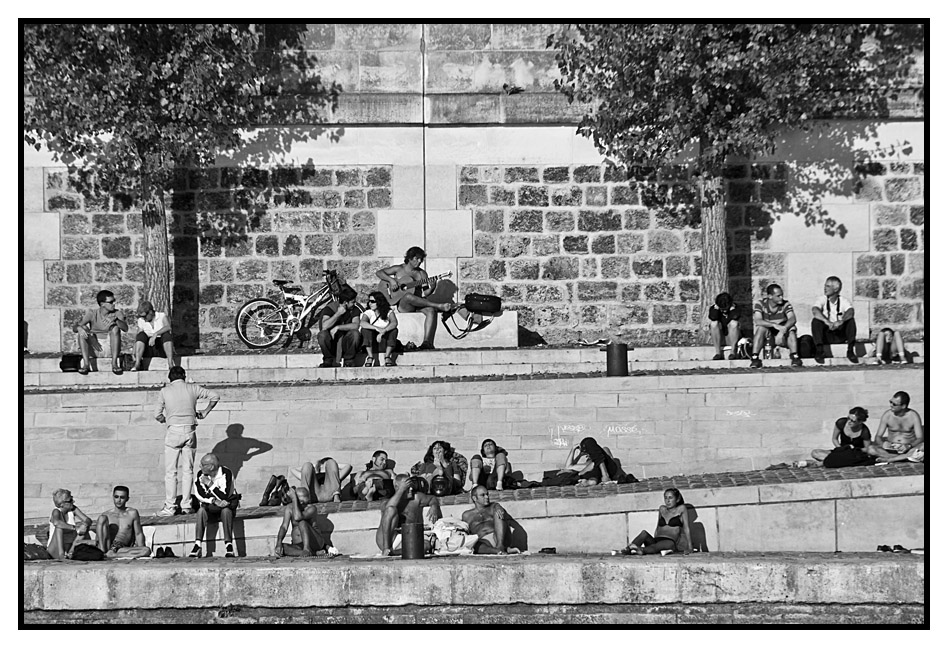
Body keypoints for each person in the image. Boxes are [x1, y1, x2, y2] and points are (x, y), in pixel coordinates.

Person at [154, 366, 220, 516]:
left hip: (173, 430)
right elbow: (215, 396)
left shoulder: (165, 391)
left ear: (170, 378)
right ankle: (186, 504)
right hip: (190, 431)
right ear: (184, 376)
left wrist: (165, 419)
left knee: (171, 472)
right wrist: (205, 411)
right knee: (188, 470)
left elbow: (157, 414)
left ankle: (170, 506)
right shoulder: (193, 388)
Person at [375, 246, 453, 350]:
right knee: (407, 296)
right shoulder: (399, 269)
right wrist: (391, 280)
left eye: (421, 259)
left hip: (417, 303)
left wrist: (433, 287)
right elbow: (379, 273)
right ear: (410, 258)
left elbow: (425, 293)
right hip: (404, 305)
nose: (419, 261)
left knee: (431, 310)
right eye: (417, 258)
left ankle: (427, 342)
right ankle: (438, 305)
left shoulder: (422, 274)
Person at [376, 474, 443, 556]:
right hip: (389, 538)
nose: (411, 489)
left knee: (426, 545)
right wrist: (401, 490)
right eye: (407, 487)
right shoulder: (386, 501)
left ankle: (394, 553)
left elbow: (432, 498)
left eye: (411, 486)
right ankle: (386, 549)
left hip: (408, 537)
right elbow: (388, 508)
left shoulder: (417, 497)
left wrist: (434, 506)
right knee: (391, 510)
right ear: (397, 487)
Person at [189, 454, 240, 558]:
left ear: (211, 467)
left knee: (226, 511)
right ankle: (197, 545)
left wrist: (210, 484)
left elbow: (225, 495)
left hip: (226, 507)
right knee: (201, 511)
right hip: (210, 508)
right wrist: (213, 500)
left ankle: (229, 545)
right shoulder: (200, 475)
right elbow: (200, 494)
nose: (200, 466)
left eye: (203, 465)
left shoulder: (226, 473)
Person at [620, 488, 692, 556]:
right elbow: (658, 527)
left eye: (670, 498)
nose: (668, 501)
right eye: (666, 498)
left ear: (677, 499)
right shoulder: (662, 509)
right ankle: (629, 549)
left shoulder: (681, 509)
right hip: (657, 540)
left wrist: (690, 547)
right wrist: (652, 539)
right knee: (644, 533)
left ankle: (642, 550)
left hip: (670, 542)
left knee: (657, 546)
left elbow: (686, 528)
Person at [74, 289, 128, 375]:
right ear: (102, 304)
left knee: (115, 329)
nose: (114, 304)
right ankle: (86, 365)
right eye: (111, 302)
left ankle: (114, 364)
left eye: (114, 301)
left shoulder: (117, 313)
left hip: (110, 346)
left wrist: (116, 320)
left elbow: (125, 328)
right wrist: (79, 328)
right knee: (83, 328)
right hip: (95, 346)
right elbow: (75, 328)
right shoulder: (92, 313)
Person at [749, 283, 803, 368]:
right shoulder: (760, 304)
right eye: (778, 296)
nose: (781, 297)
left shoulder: (785, 304)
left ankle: (795, 356)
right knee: (760, 329)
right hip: (769, 332)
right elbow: (758, 320)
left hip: (783, 331)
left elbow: (792, 319)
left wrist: (783, 329)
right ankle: (755, 357)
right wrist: (774, 325)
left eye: (782, 295)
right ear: (770, 296)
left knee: (792, 329)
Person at [273, 487, 336, 557]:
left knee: (302, 522)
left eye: (304, 502)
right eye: (300, 502)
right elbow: (284, 527)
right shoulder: (289, 508)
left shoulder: (312, 508)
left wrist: (294, 499)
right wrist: (278, 543)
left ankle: (307, 549)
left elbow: (298, 517)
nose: (302, 504)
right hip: (298, 544)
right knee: (282, 548)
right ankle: (313, 553)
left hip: (315, 542)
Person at [810, 275, 858, 364]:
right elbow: (815, 310)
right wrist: (826, 321)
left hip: (839, 333)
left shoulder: (843, 301)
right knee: (816, 321)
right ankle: (820, 350)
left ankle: (850, 350)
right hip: (826, 333)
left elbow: (850, 311)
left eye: (828, 286)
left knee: (850, 321)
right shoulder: (822, 299)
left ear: (836, 289)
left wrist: (841, 321)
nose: (825, 288)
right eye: (825, 286)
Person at [867, 391, 925, 463]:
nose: (891, 405)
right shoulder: (887, 415)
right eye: (890, 402)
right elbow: (878, 436)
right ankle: (903, 458)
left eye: (894, 404)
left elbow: (920, 438)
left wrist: (908, 446)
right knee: (871, 449)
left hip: (908, 448)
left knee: (923, 446)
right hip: (891, 449)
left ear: (903, 406)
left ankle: (891, 459)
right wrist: (883, 444)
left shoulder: (913, 416)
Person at [94, 485, 151, 558]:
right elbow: (99, 536)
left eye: (122, 497)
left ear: (127, 499)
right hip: (107, 546)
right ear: (113, 497)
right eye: (116, 497)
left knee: (146, 551)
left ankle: (112, 555)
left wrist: (140, 547)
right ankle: (103, 552)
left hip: (122, 549)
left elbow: (138, 533)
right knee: (102, 518)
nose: (119, 500)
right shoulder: (106, 515)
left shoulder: (132, 513)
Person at [461, 485, 520, 554]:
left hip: (498, 538)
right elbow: (465, 532)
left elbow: (500, 512)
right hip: (483, 542)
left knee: (498, 512)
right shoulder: (467, 515)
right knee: (473, 544)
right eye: (483, 495)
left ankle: (500, 546)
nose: (487, 497)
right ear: (474, 498)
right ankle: (498, 551)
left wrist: (499, 508)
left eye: (487, 494)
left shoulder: (494, 507)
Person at [316, 284, 362, 368]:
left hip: (346, 342)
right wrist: (337, 314)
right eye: (352, 302)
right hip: (332, 341)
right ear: (345, 302)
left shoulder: (354, 310)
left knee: (355, 334)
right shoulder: (330, 308)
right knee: (322, 335)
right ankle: (328, 360)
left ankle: (349, 360)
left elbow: (356, 325)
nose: (354, 304)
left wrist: (338, 327)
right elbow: (324, 326)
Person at [46, 488, 96, 560]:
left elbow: (88, 520)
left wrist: (84, 525)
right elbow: (56, 522)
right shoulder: (56, 511)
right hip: (55, 549)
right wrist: (75, 528)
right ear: (62, 504)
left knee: (85, 525)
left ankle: (71, 552)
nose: (73, 501)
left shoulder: (73, 509)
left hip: (70, 545)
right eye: (70, 500)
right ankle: (61, 555)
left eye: (72, 498)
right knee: (59, 527)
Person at [131, 300, 175, 371]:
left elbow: (168, 327)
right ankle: (137, 363)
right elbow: (138, 336)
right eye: (141, 317)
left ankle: (170, 363)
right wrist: (134, 350)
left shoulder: (161, 316)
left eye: (145, 316)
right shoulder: (141, 321)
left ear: (151, 312)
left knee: (166, 335)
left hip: (161, 346)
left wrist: (156, 334)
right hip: (148, 347)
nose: (144, 319)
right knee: (141, 335)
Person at [360, 291, 399, 367]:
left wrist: (383, 331)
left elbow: (394, 323)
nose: (370, 303)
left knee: (394, 330)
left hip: (385, 341)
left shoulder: (389, 312)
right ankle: (370, 357)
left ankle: (387, 356)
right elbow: (362, 323)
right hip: (372, 342)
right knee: (365, 330)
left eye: (372, 301)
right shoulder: (369, 312)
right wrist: (376, 328)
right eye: (369, 301)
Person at [708, 291, 742, 360]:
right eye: (722, 309)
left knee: (733, 323)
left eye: (726, 309)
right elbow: (713, 317)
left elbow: (735, 316)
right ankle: (718, 352)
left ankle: (733, 352)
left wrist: (732, 310)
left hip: (732, 337)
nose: (724, 311)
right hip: (720, 338)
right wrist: (716, 309)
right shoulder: (714, 309)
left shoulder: (736, 308)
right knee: (713, 324)